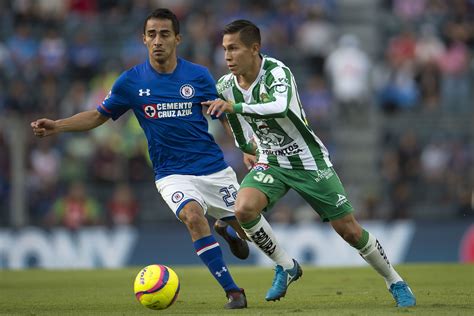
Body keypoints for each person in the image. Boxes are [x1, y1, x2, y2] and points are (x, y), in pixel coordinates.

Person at [31, 8, 248, 309]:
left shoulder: (198, 75)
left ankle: (227, 227)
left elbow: (221, 116)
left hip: (212, 168)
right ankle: (233, 291)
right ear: (143, 39)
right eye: (152, 34)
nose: (157, 40)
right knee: (193, 216)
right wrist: (58, 125)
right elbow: (98, 116)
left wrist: (244, 147)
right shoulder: (130, 82)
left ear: (177, 38)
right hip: (170, 172)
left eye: (164, 34)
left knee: (249, 229)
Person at [203, 19, 416, 308]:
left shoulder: (277, 72)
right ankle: (286, 266)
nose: (227, 56)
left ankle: (395, 281)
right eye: (225, 49)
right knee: (243, 209)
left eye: (234, 49)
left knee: (349, 230)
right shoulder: (226, 85)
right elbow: (236, 123)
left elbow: (279, 107)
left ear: (255, 48)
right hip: (271, 159)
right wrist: (246, 147)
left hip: (307, 159)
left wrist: (236, 107)